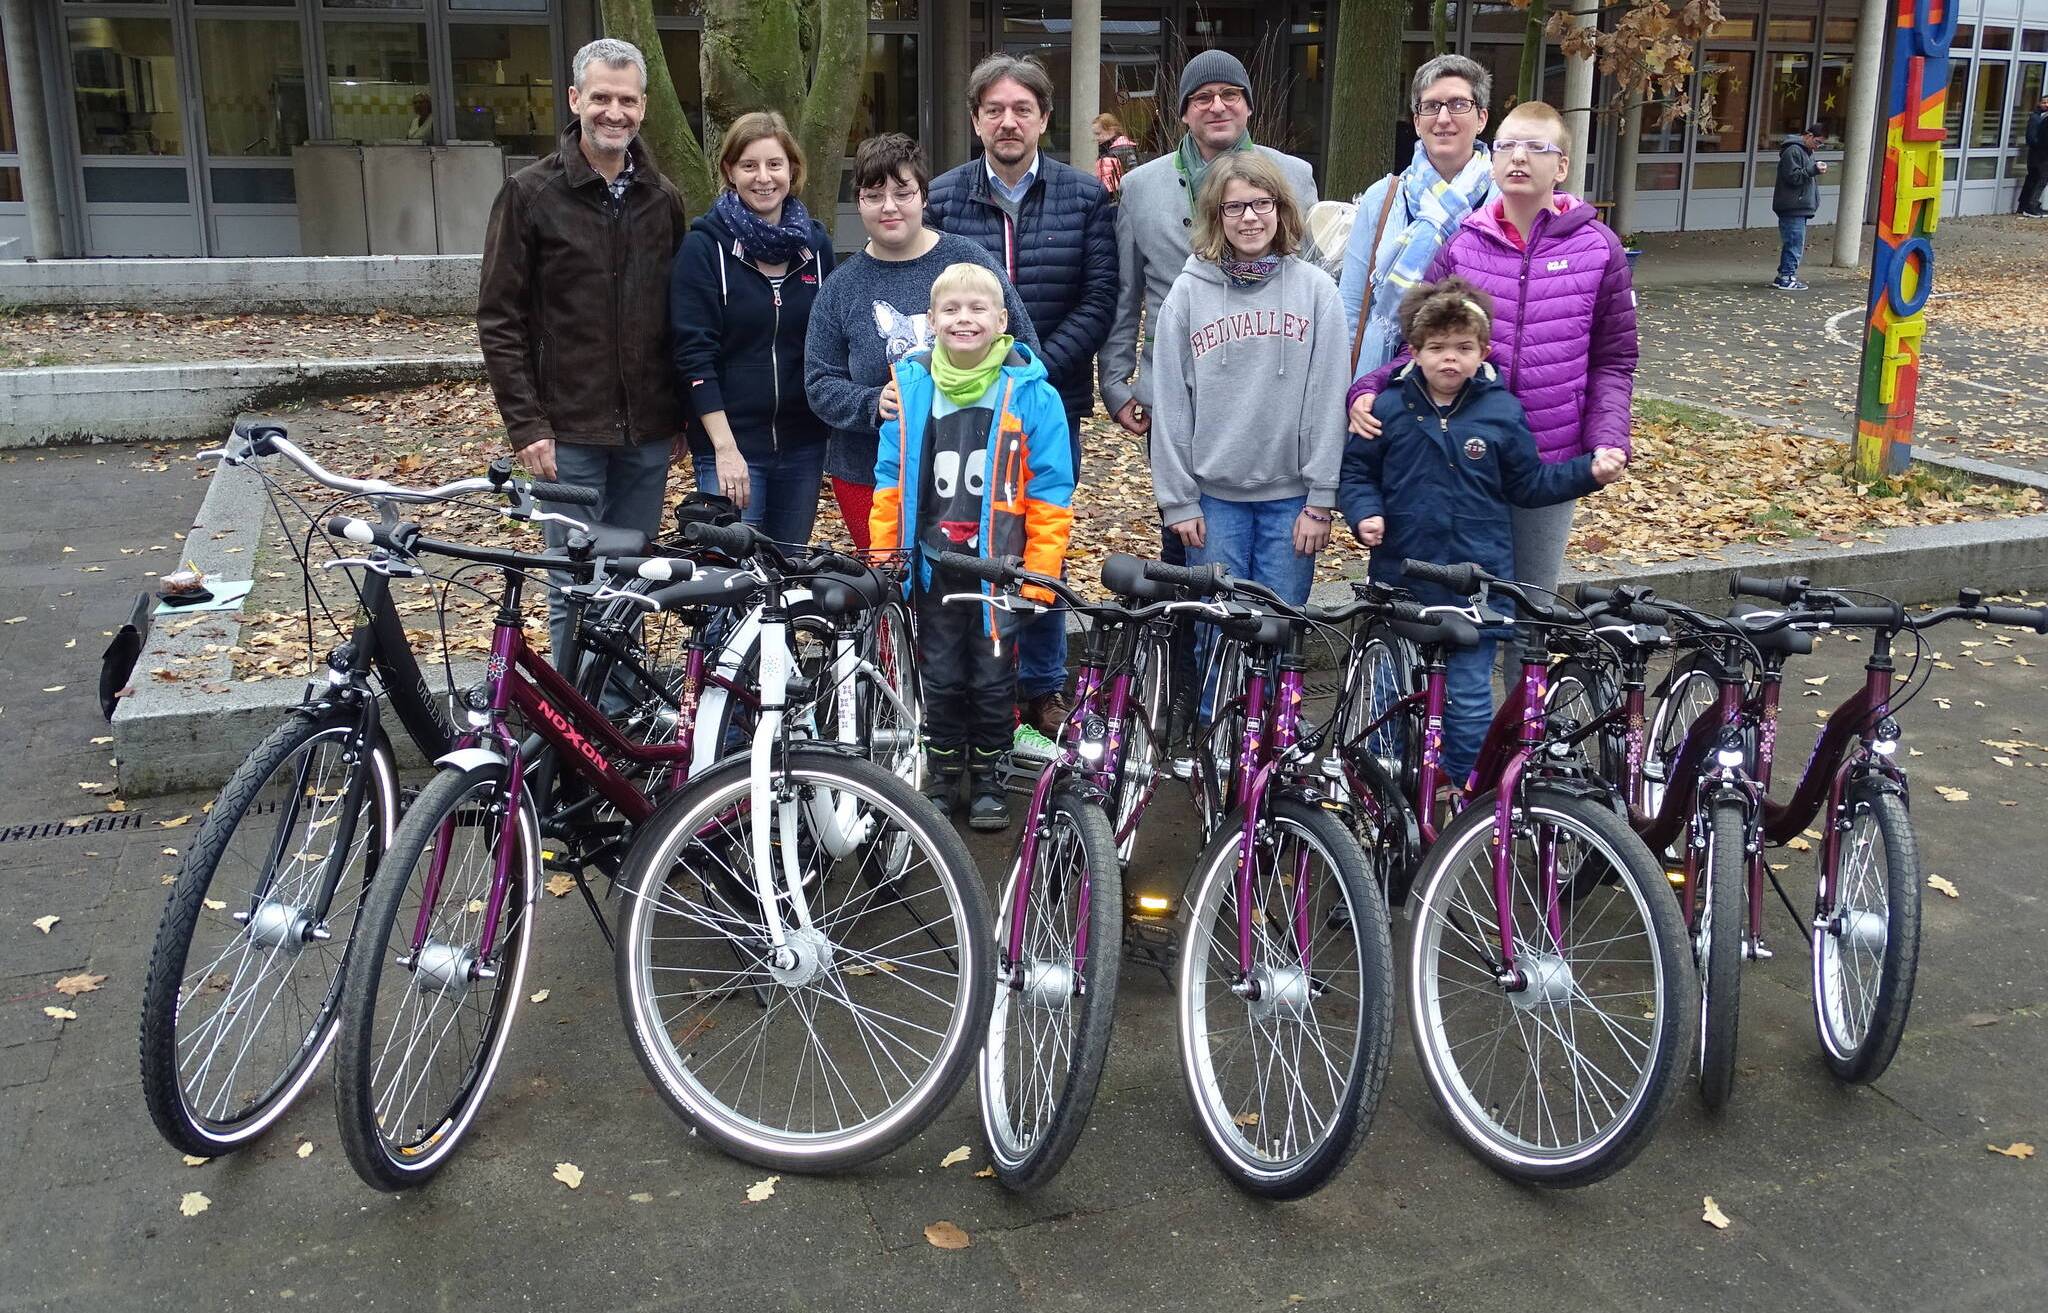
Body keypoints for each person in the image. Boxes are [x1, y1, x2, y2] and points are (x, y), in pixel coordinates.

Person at [1100, 47, 1318, 739]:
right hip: (1179, 398)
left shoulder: (1294, 176)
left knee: (1261, 581)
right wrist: (1116, 380)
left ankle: (1260, 722)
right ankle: (1196, 707)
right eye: (1202, 97)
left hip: (1270, 398)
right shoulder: (1142, 187)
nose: (1218, 106)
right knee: (1189, 556)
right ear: (1183, 112)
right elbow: (1127, 291)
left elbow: (1312, 283)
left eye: (1231, 94)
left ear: (1248, 105)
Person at [1347, 100, 1637, 612]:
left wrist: (1607, 439)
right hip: (1461, 455)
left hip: (1548, 455)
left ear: (1561, 166)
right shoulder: (1463, 245)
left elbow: (1613, 360)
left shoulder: (1598, 249)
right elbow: (1424, 343)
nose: (1518, 157)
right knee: (1453, 610)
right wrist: (1368, 386)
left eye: (1535, 147)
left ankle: (1523, 669)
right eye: (1507, 146)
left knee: (1530, 610)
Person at [1339, 277, 1625, 784]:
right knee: (1391, 687)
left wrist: (1588, 473)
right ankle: (1384, 780)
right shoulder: (1388, 408)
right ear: (1414, 352)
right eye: (1437, 348)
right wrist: (1364, 514)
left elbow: (1529, 483)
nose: (1450, 358)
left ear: (1483, 351)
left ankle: (1464, 788)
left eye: (1463, 347)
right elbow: (1357, 473)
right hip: (1403, 576)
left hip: (1477, 583)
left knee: (1469, 697)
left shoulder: (1501, 411)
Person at [478, 37, 688, 672]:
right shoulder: (530, 194)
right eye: (601, 98)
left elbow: (678, 315)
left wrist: (679, 414)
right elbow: (500, 318)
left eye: (627, 100)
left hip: (647, 432)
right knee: (572, 581)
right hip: (566, 431)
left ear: (643, 106)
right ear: (575, 100)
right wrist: (526, 424)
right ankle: (569, 717)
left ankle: (617, 710)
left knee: (632, 581)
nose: (613, 113)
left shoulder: (662, 198)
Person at [924, 54, 1116, 748]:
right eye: (995, 110)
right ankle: (978, 694)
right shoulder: (943, 198)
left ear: (1044, 118)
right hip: (959, 409)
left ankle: (1040, 686)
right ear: (976, 120)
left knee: (1040, 544)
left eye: (1022, 110)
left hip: (1047, 405)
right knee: (965, 544)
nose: (1009, 122)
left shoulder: (1085, 197)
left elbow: (1099, 299)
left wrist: (1028, 375)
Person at [871, 262, 1075, 830]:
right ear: (931, 320)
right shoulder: (911, 390)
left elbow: (1052, 491)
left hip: (1000, 571)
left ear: (1003, 320)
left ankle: (988, 776)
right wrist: (887, 562)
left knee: (992, 677)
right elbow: (890, 481)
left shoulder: (1032, 394)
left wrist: (1040, 573)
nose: (964, 319)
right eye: (951, 309)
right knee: (938, 675)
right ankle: (941, 774)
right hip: (932, 567)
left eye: (978, 308)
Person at [804, 133, 1037, 555]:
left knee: (958, 583)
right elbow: (819, 382)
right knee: (890, 579)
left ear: (923, 196)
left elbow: (1023, 350)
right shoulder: (841, 287)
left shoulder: (968, 262)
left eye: (902, 192)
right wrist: (873, 403)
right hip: (869, 474)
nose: (889, 206)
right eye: (874, 195)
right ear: (859, 202)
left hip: (971, 469)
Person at [1151, 151, 1348, 636]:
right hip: (1213, 501)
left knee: (1279, 633)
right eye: (1234, 207)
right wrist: (1178, 501)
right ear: (1216, 216)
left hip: (1293, 500)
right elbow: (1171, 404)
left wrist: (1321, 498)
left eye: (1261, 204)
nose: (1250, 218)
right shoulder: (1188, 293)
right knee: (1216, 639)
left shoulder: (1317, 291)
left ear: (1281, 208)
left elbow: (1329, 399)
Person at [669, 111, 835, 547]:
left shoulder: (816, 247)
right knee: (731, 576)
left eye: (774, 164)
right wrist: (725, 449)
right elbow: (693, 355)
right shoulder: (703, 248)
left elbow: (829, 341)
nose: (764, 178)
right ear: (730, 171)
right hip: (731, 447)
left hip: (802, 446)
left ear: (792, 170)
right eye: (749, 165)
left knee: (788, 573)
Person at [1338, 54, 1494, 380]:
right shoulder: (1383, 198)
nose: (1443, 118)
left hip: (1477, 381)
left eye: (1458, 104)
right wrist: (1351, 389)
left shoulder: (1503, 201)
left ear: (1481, 118)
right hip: (1384, 380)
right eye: (1432, 106)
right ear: (1417, 121)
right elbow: (1352, 308)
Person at [1772, 124, 1828, 291]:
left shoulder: (1805, 151)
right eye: (1817, 142)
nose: (1818, 146)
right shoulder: (1793, 151)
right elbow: (1793, 177)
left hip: (1798, 205)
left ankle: (1784, 275)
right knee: (1794, 243)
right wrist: (1813, 170)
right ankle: (1786, 277)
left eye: (1821, 144)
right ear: (1808, 136)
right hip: (1793, 206)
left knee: (1794, 242)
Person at [1093, 112, 1140, 198]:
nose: (1096, 138)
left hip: (1118, 197)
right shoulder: (1106, 150)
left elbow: (1134, 174)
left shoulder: (1124, 148)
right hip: (1109, 196)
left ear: (1111, 130)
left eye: (1099, 134)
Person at [2020, 93, 2048, 218]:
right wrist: (2041, 146)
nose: (2046, 105)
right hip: (2038, 155)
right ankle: (2030, 206)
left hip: (2040, 155)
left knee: (2035, 179)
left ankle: (2028, 205)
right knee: (2038, 179)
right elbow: (2032, 138)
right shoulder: (2036, 118)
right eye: (2044, 102)